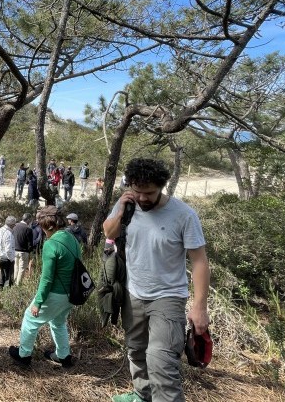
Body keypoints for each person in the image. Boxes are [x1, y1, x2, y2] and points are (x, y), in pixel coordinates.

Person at [103, 158, 210, 402]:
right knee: (136, 351)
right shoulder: (127, 206)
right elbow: (109, 233)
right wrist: (120, 209)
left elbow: (200, 261)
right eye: (137, 191)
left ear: (162, 187)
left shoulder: (184, 215)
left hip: (168, 297)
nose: (142, 198)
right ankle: (142, 396)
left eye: (149, 193)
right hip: (134, 293)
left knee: (161, 362)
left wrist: (199, 307)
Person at [8, 206, 79, 368]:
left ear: (48, 226)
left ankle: (23, 355)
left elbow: (47, 279)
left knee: (30, 319)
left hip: (56, 292)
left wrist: (38, 302)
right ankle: (63, 356)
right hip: (72, 293)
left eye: (41, 225)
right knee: (58, 323)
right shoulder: (71, 238)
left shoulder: (51, 244)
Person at [12, 213, 34, 285]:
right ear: (28, 219)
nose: (30, 221)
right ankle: (18, 285)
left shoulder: (15, 226)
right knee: (21, 269)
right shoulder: (28, 229)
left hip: (15, 250)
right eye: (30, 220)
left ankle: (14, 283)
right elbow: (30, 243)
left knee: (16, 267)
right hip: (24, 252)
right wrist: (31, 252)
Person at [0, 216, 16, 289]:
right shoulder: (9, 234)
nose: (14, 226)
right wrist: (12, 259)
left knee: (2, 273)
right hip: (7, 257)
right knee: (8, 275)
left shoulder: (0, 230)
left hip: (1, 256)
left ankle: (0, 288)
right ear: (11, 225)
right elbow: (8, 250)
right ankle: (7, 290)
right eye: (14, 224)